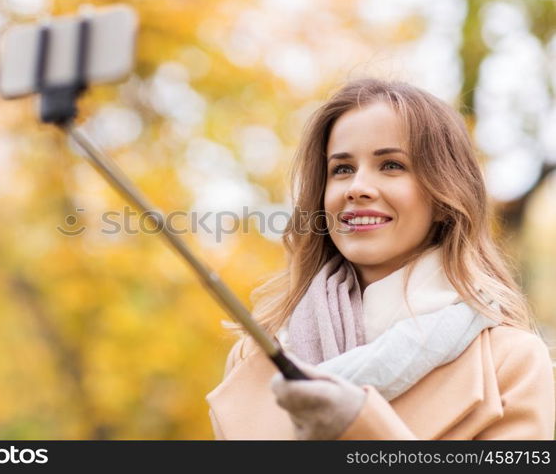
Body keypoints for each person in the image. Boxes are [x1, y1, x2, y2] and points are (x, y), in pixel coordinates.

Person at [205, 78, 555, 440]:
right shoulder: (255, 357)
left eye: (391, 165)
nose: (357, 187)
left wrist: (361, 426)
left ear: (444, 197)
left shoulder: (510, 361)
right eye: (341, 169)